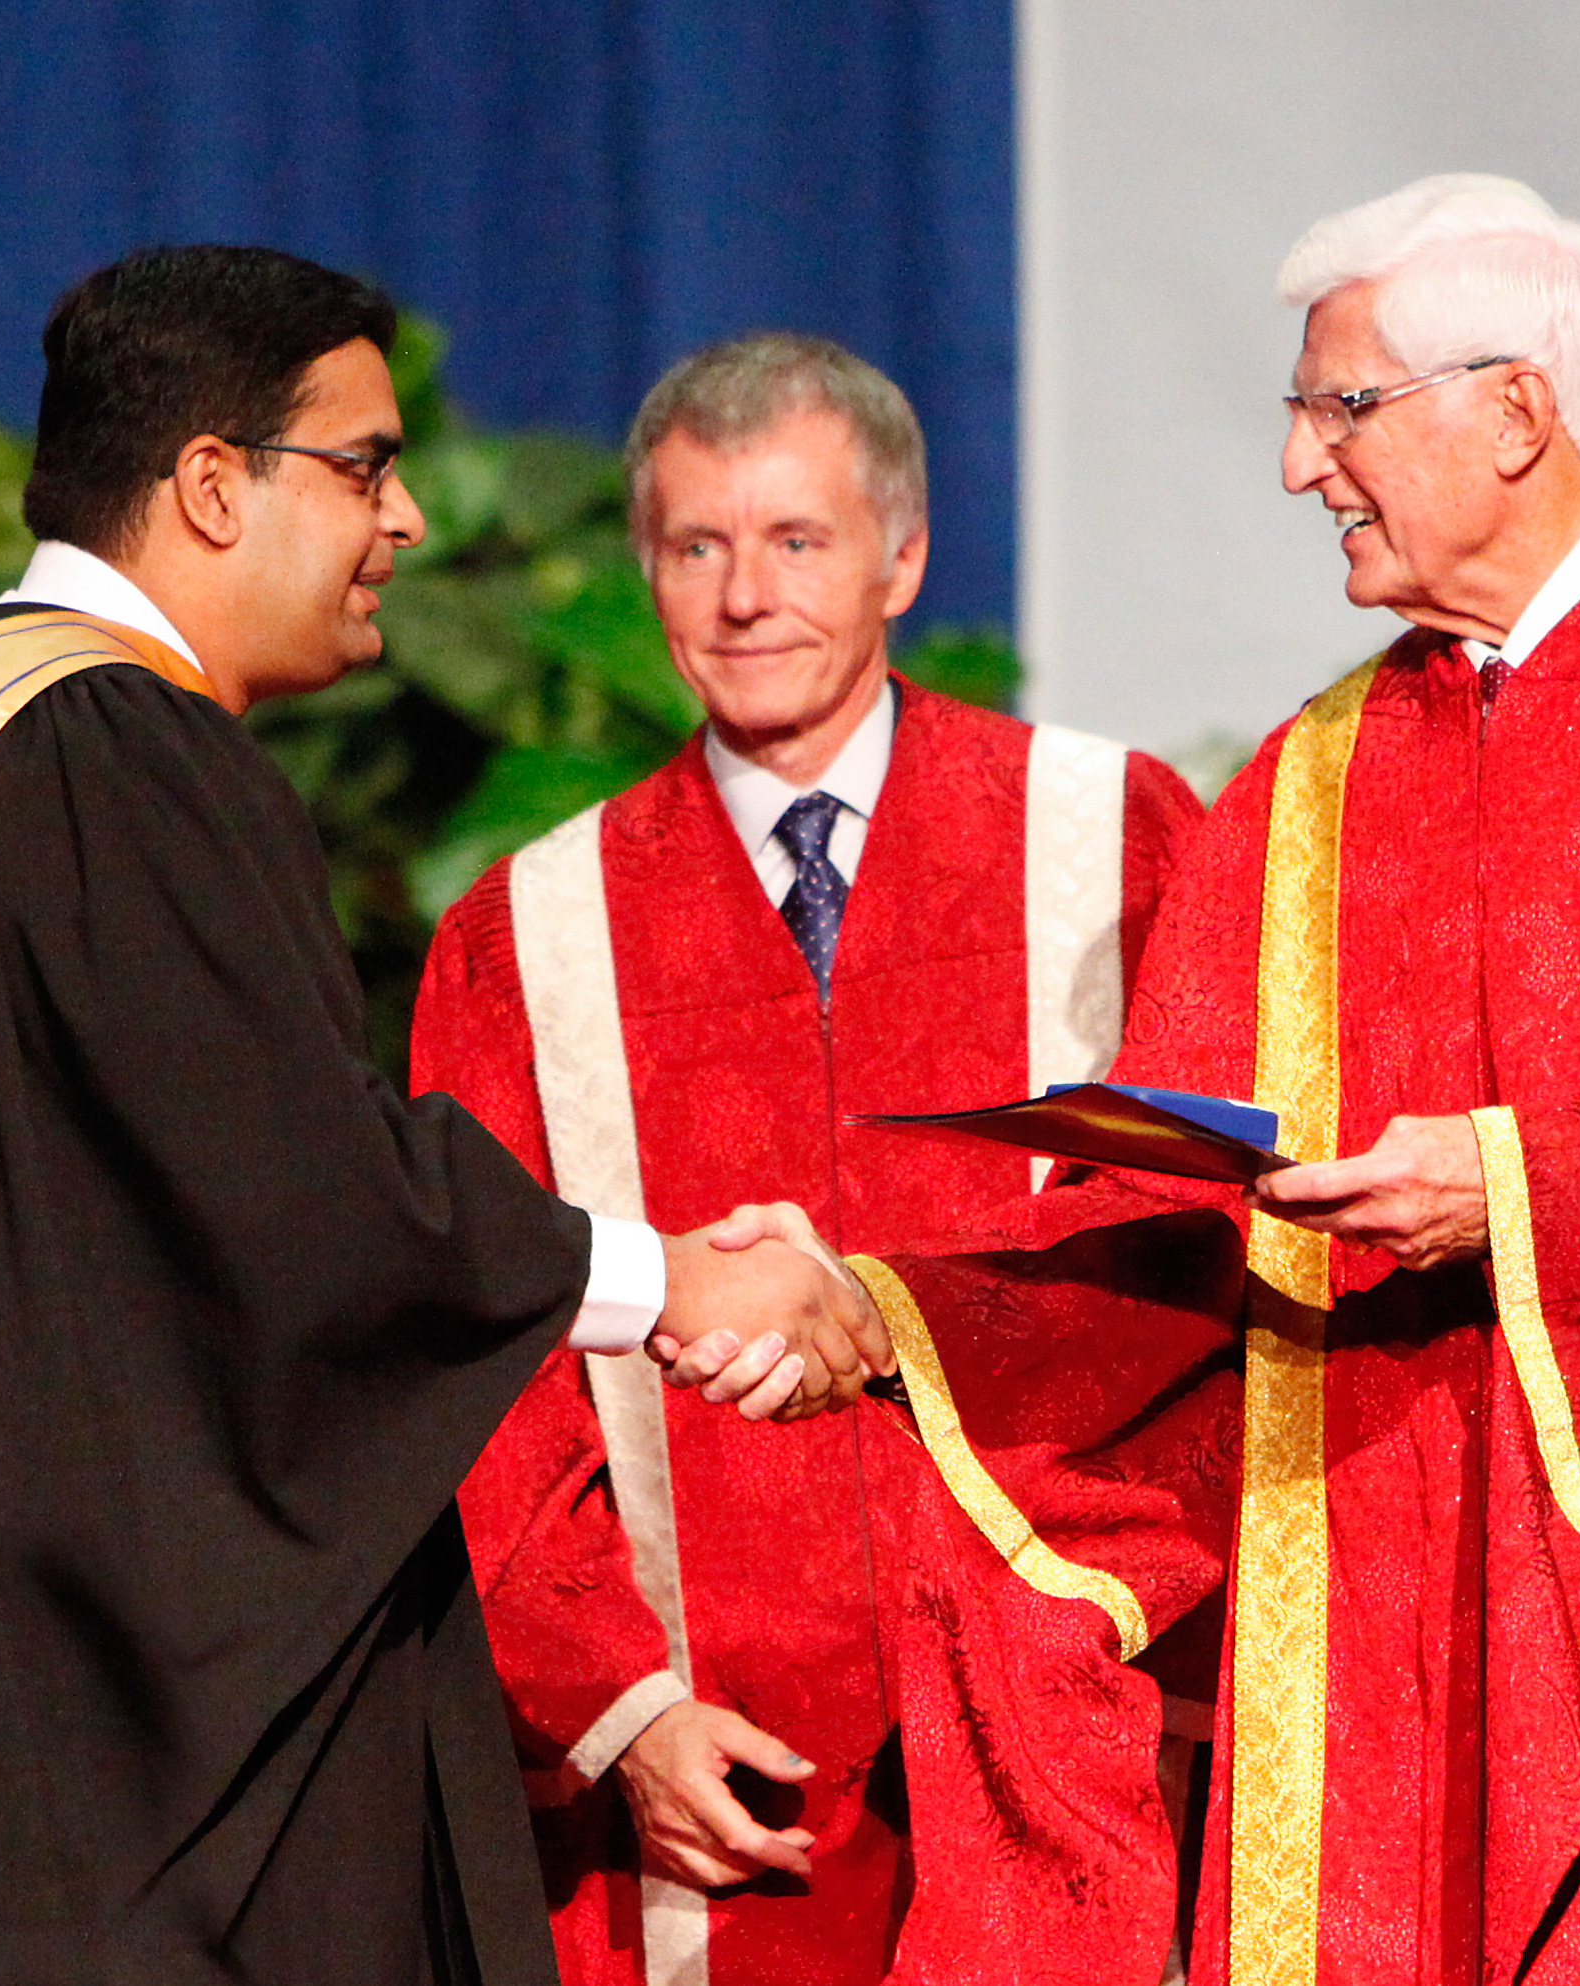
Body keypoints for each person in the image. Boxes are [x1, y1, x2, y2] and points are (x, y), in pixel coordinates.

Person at [672, 175, 1580, 1985]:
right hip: (1396, 1658)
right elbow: (1172, 1238)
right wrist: (879, 1313)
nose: (1298, 467)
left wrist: (1517, 1189)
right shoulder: (1315, 783)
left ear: (1519, 411)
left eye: (1338, 407)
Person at [0, 246, 881, 1986]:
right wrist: (681, 1286)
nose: (407, 521)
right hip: (68, 1793)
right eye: (365, 464)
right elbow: (306, 1218)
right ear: (212, 484)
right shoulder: (115, 757)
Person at [415, 333, 1201, 1986]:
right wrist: (616, 1705)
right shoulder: (527, 936)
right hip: (718, 1771)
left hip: (1066, 1706)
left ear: (902, 556)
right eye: (697, 546)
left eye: (797, 540)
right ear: (647, 572)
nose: (744, 596)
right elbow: (487, 1354)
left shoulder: (1110, 837)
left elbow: (1205, 1254)